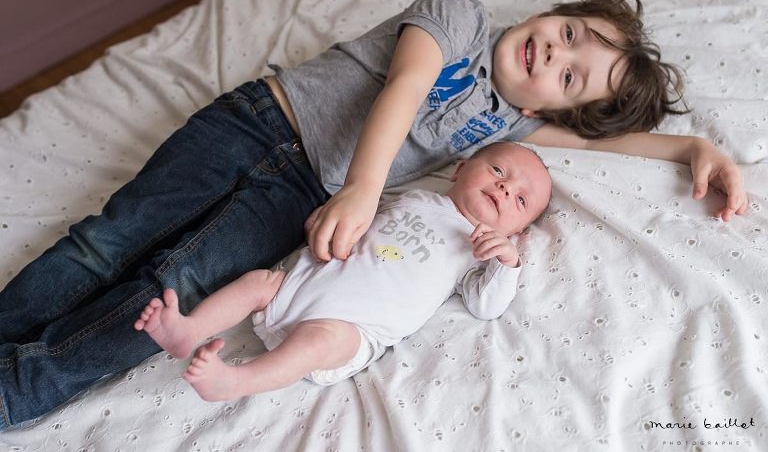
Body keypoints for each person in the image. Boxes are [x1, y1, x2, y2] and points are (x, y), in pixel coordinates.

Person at [0, 0, 747, 430]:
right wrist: (363, 186)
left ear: (558, 108)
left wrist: (691, 149)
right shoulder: (458, 19)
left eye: (569, 75)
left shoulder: (509, 127)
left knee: (175, 286)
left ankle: (18, 388)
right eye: (568, 34)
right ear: (553, 12)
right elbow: (405, 90)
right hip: (257, 124)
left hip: (296, 201)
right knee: (108, 239)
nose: (551, 53)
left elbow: (618, 146)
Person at [134, 142, 552, 401]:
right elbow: (355, 212)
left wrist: (506, 263)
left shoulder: (481, 252)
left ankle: (235, 382)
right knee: (258, 282)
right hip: (304, 283)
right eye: (499, 171)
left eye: (519, 200)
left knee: (318, 342)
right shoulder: (412, 196)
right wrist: (327, 216)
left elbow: (486, 306)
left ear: (518, 229)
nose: (504, 188)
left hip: (350, 326)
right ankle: (189, 329)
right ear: (460, 169)